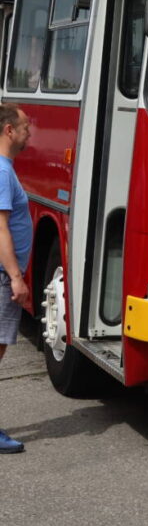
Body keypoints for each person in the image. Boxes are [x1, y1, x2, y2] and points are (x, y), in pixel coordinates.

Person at [0, 103, 33, 454]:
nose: (29, 131)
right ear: (9, 130)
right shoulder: (2, 173)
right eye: (25, 126)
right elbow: (1, 229)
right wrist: (15, 278)